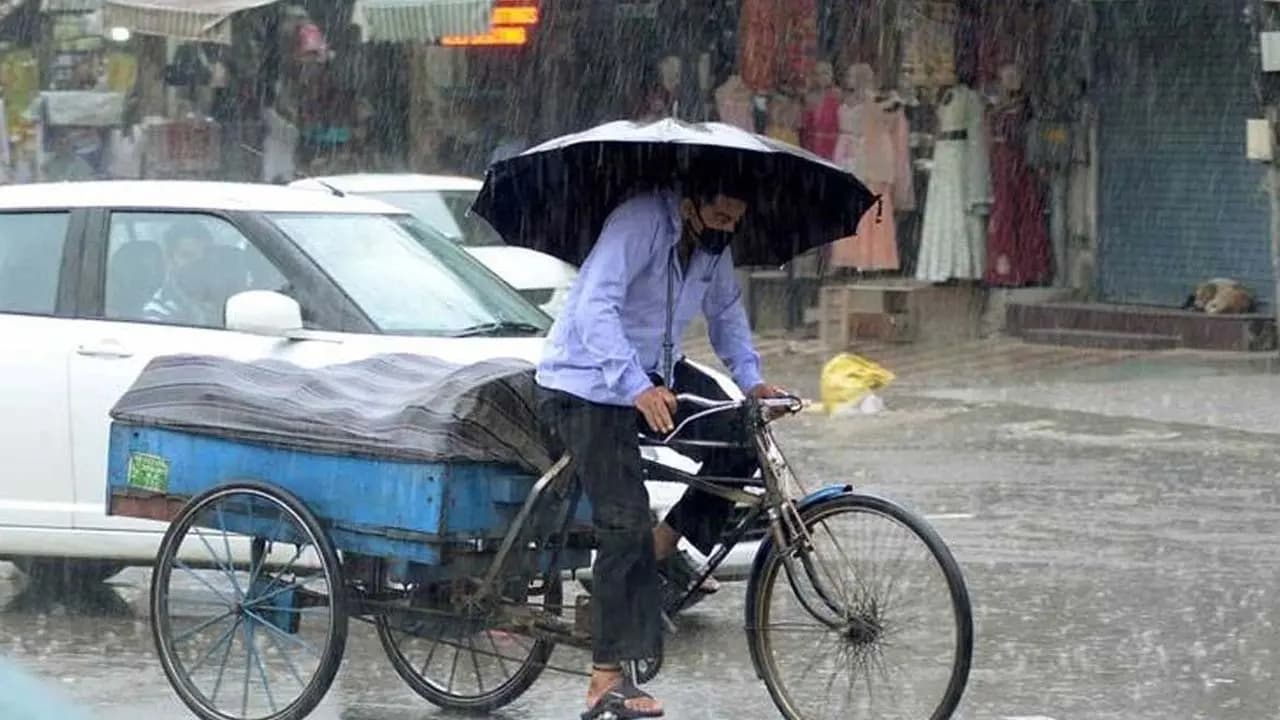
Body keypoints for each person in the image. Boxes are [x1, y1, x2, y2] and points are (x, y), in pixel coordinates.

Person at [535, 173, 788, 719]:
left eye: (736, 221)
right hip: (584, 383)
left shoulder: (713, 246)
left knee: (741, 436)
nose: (728, 229)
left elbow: (725, 316)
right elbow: (593, 310)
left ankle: (663, 546)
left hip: (654, 376)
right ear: (693, 201)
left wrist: (752, 382)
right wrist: (635, 387)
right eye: (720, 217)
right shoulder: (639, 222)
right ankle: (605, 678)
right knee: (621, 520)